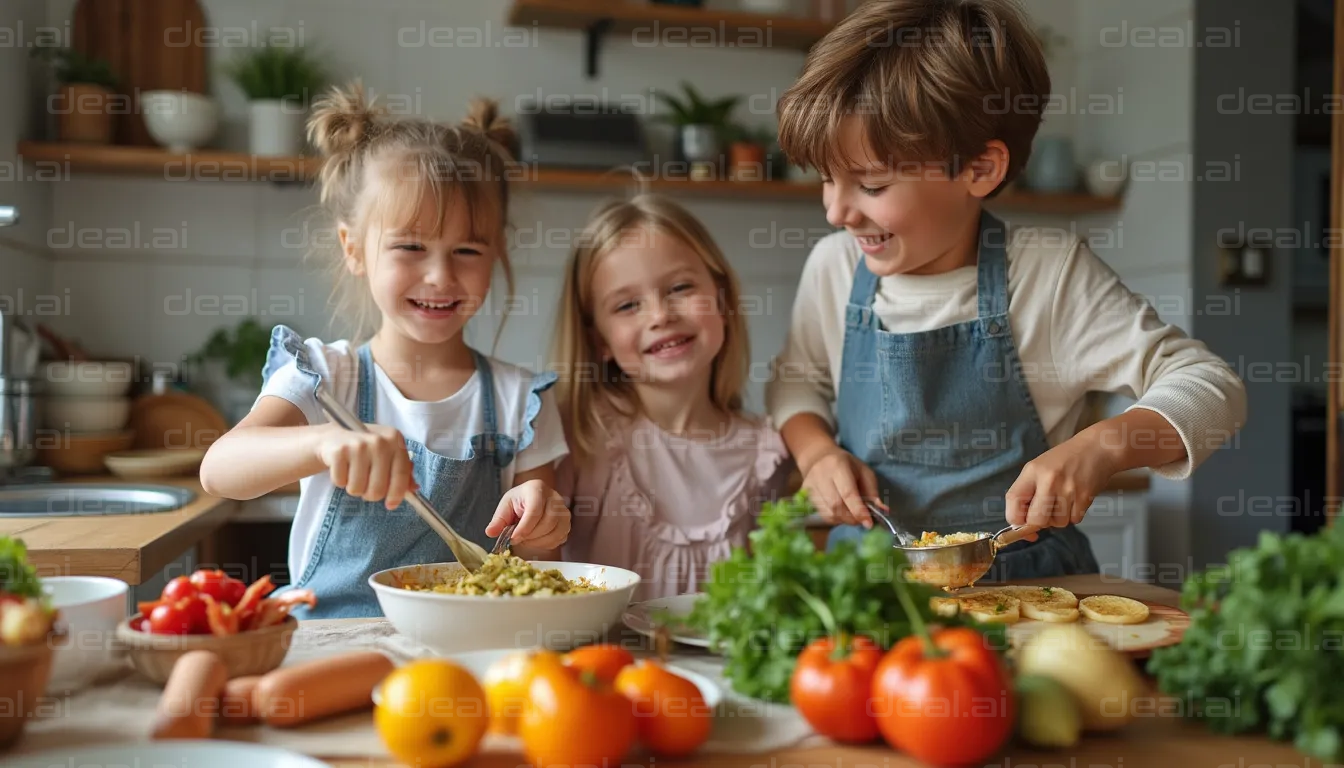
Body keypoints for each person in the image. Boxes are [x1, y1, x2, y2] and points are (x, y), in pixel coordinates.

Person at [766, 0, 1246, 579]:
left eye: (870, 184)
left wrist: (1103, 448)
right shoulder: (834, 267)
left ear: (979, 170)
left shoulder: (1047, 275)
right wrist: (816, 452)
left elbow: (1214, 390)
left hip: (1030, 583)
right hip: (867, 581)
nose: (836, 211)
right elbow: (797, 383)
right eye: (826, 178)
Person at [199, 83, 571, 617]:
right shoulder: (325, 377)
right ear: (354, 249)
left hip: (458, 657)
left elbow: (541, 562)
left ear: (496, 254)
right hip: (326, 644)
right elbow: (220, 469)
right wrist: (325, 443)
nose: (441, 276)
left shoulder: (522, 401)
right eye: (411, 247)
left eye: (467, 250)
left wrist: (541, 524)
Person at [552, 195, 792, 600]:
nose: (660, 315)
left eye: (680, 288)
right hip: (606, 662)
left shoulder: (770, 454)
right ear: (599, 341)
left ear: (722, 298)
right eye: (628, 305)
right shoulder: (580, 436)